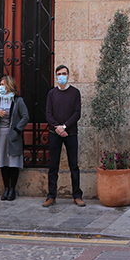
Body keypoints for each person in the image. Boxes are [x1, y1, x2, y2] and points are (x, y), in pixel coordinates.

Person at [44, 64, 85, 207]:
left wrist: (65, 126)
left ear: (68, 75)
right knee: (53, 166)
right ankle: (51, 196)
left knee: (74, 165)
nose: (62, 76)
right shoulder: (51, 94)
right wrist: (57, 128)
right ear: (56, 77)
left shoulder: (75, 93)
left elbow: (77, 113)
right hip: (54, 133)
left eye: (64, 73)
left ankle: (77, 195)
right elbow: (48, 114)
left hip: (70, 133)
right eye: (59, 74)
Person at [0, 75, 29, 201]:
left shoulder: (17, 101)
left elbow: (25, 116)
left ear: (10, 86)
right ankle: (5, 188)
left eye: (4, 84)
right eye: (0, 84)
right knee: (3, 164)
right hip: (0, 135)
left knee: (12, 163)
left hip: (12, 136)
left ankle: (12, 189)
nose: (1, 87)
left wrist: (17, 130)